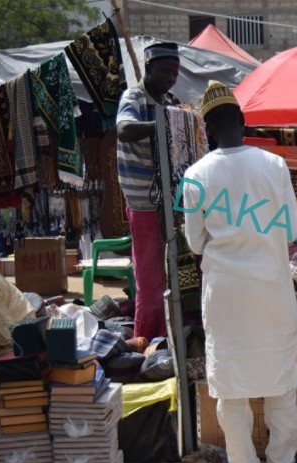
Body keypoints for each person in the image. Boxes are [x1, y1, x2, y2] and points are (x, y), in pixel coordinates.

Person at [181, 82, 297, 463]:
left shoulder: (195, 176)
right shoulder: (274, 165)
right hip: (270, 294)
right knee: (280, 384)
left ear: (208, 129)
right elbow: (292, 229)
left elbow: (194, 243)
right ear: (241, 121)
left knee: (230, 391)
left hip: (225, 298)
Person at [116, 42, 181, 340]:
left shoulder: (169, 100)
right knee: (149, 277)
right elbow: (124, 130)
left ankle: (171, 335)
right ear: (149, 68)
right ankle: (147, 339)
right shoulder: (134, 97)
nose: (172, 77)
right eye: (166, 71)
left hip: (169, 201)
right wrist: (162, 124)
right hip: (143, 202)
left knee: (174, 272)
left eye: (176, 71)